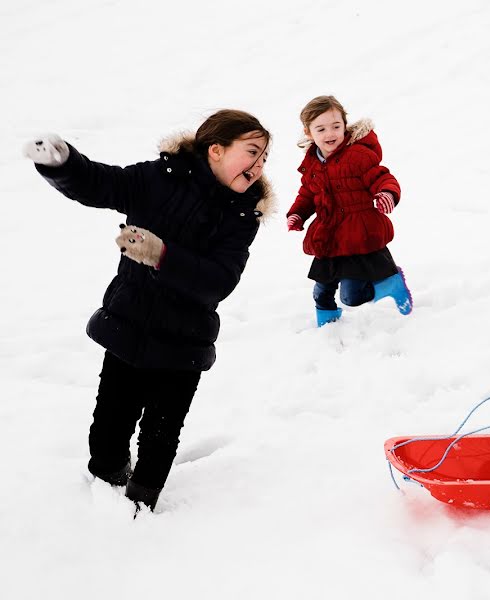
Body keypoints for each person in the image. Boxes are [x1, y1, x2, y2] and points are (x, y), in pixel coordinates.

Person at [22, 110, 274, 512]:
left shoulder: (241, 215)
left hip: (185, 341)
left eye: (264, 158)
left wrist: (162, 256)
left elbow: (220, 279)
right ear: (215, 150)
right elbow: (104, 184)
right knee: (108, 428)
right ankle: (106, 487)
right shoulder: (161, 177)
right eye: (252, 153)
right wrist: (62, 164)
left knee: (160, 436)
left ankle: (141, 512)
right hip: (129, 324)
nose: (260, 165)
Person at [285, 95, 412, 327]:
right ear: (308, 133)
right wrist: (297, 213)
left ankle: (390, 283)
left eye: (336, 126)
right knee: (321, 290)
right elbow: (308, 193)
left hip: (358, 233)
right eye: (321, 129)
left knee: (351, 297)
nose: (330, 134)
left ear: (345, 125)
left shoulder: (358, 155)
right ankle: (328, 324)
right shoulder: (313, 162)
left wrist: (386, 194)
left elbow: (382, 177)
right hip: (329, 234)